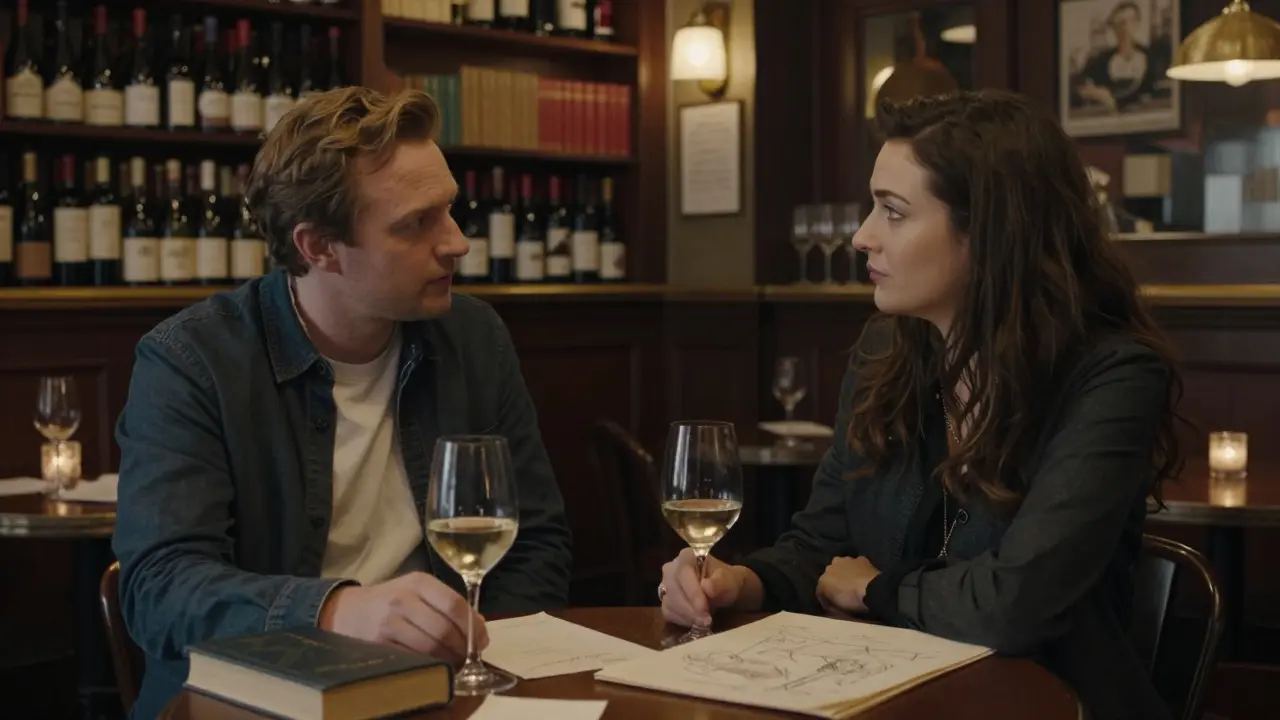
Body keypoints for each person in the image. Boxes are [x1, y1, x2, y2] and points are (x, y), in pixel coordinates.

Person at [659, 89, 1182, 720]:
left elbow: (1014, 607)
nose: (861, 236)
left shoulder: (1112, 376)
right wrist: (741, 582)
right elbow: (823, 544)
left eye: (894, 213)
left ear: (986, 235)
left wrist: (877, 589)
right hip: (896, 700)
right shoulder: (888, 351)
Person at [113, 87, 573, 719]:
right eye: (417, 223)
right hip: (255, 701)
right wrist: (334, 610)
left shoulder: (474, 337)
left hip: (438, 695)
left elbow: (535, 544)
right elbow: (159, 590)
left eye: (450, 211)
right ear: (318, 247)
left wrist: (478, 667)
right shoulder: (191, 361)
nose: (458, 242)